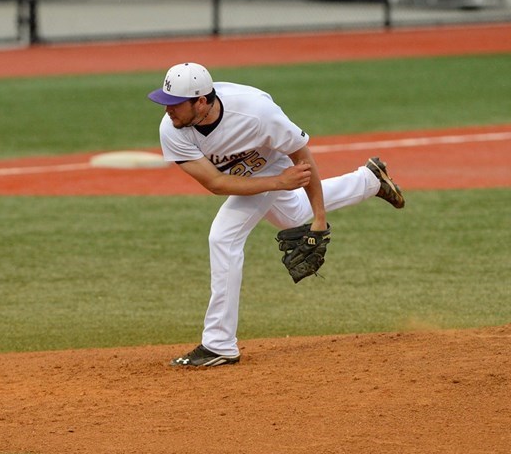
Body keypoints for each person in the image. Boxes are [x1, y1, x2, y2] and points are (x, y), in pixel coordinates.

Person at [148, 62, 405, 367]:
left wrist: (319, 221)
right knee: (291, 214)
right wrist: (279, 184)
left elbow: (303, 160)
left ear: (201, 101)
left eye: (175, 104)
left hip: (273, 162)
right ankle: (370, 180)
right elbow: (215, 183)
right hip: (260, 176)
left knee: (223, 236)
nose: (168, 111)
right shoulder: (173, 129)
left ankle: (218, 344)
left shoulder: (257, 114)